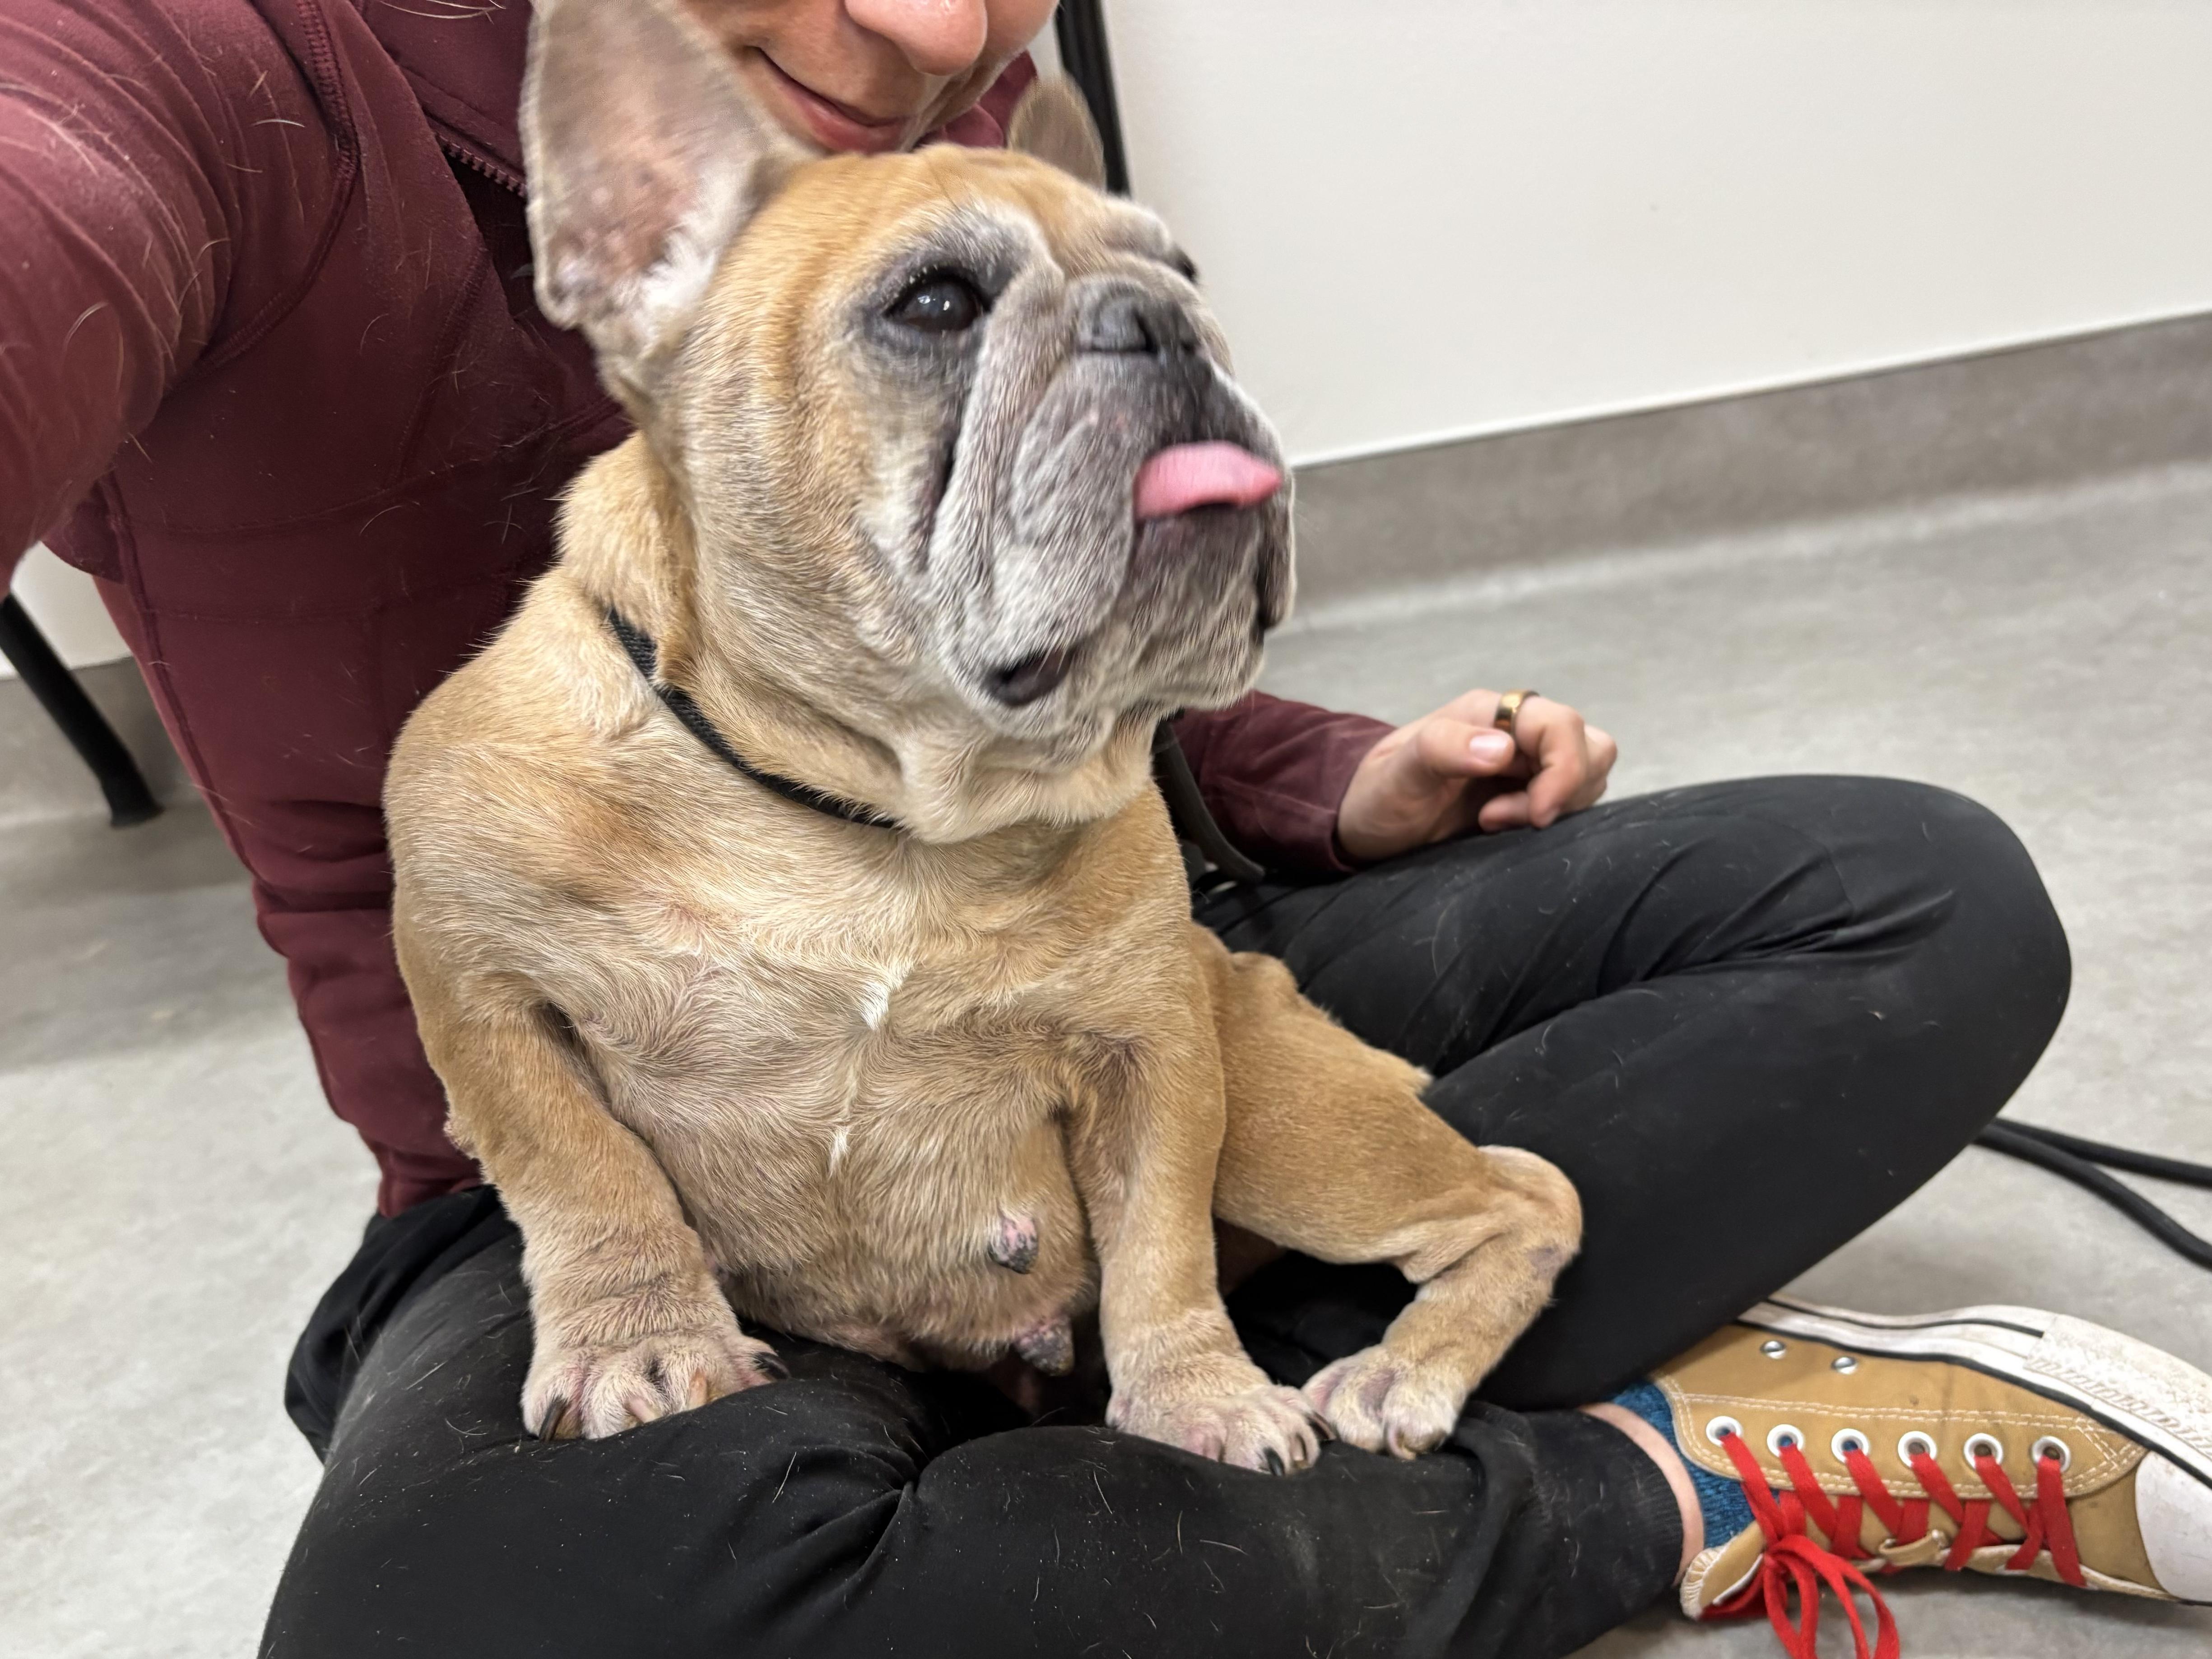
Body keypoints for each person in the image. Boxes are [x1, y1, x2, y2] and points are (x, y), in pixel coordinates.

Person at [5, 2, 2206, 1655]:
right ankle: (1656, 1474)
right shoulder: (198, 68)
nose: (950, 28)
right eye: (942, 306)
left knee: (1918, 897)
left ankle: (1117, 1489)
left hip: (1104, 966)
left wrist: (1319, 772)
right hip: (621, 1182)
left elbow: (1048, 600)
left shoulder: (942, 121)